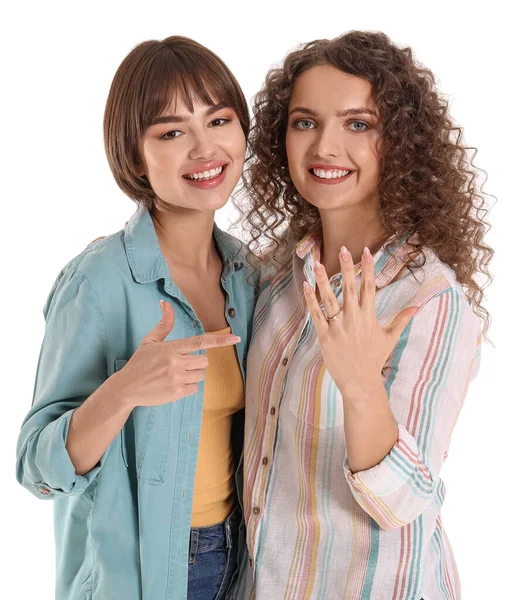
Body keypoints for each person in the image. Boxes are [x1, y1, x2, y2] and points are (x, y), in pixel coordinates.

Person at [235, 30, 492, 600]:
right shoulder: (280, 276)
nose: (326, 146)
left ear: (399, 141)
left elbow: (402, 501)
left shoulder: (430, 299)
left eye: (358, 124)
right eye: (305, 122)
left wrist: (360, 388)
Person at [16, 36, 257, 600]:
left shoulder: (248, 276)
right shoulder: (98, 281)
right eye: (172, 132)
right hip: (141, 576)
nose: (205, 149)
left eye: (219, 120)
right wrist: (123, 390)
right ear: (134, 155)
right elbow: (35, 466)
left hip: (242, 563)